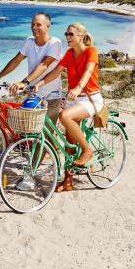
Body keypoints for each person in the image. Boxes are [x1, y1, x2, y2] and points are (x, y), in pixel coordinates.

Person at [32, 22, 104, 192]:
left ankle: (87, 150)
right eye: (66, 34)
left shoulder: (91, 51)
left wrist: (78, 87)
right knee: (69, 144)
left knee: (65, 116)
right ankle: (68, 182)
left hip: (90, 99)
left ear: (81, 36)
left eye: (71, 34)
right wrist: (40, 83)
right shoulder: (69, 54)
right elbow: (56, 71)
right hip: (74, 100)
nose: (67, 37)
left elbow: (88, 71)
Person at [0, 12, 63, 126]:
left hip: (50, 97)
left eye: (38, 24)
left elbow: (43, 65)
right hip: (33, 96)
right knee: (30, 136)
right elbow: (16, 61)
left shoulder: (55, 43)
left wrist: (24, 82)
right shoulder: (29, 41)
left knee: (46, 138)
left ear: (48, 26)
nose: (34, 27)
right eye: (32, 24)